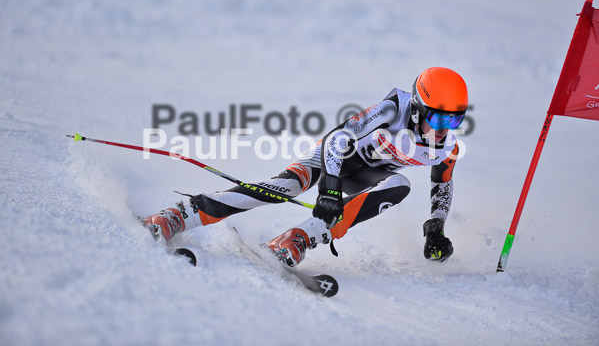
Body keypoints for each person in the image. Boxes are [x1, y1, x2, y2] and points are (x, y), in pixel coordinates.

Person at [142, 67, 468, 266]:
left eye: (455, 118)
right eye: (438, 116)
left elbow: (443, 185)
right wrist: (329, 187)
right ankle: (181, 214)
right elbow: (338, 138)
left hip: (365, 177)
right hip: (332, 162)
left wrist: (435, 228)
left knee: (401, 185)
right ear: (417, 108)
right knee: (288, 186)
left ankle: (297, 239)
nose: (444, 127)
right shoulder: (393, 108)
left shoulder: (447, 146)